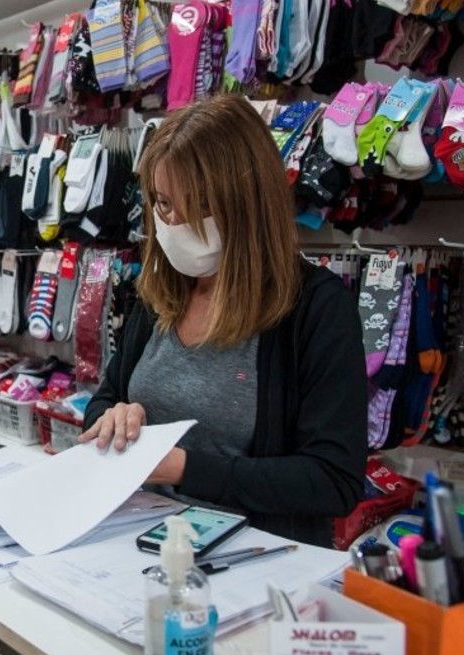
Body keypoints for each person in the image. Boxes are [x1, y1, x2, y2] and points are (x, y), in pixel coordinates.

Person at [79, 95, 368, 548]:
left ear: (246, 203)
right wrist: (114, 417)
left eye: (195, 204)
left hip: (257, 555)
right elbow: (106, 400)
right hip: (141, 540)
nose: (173, 222)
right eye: (163, 203)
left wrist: (185, 468)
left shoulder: (314, 308)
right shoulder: (160, 293)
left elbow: (333, 480)